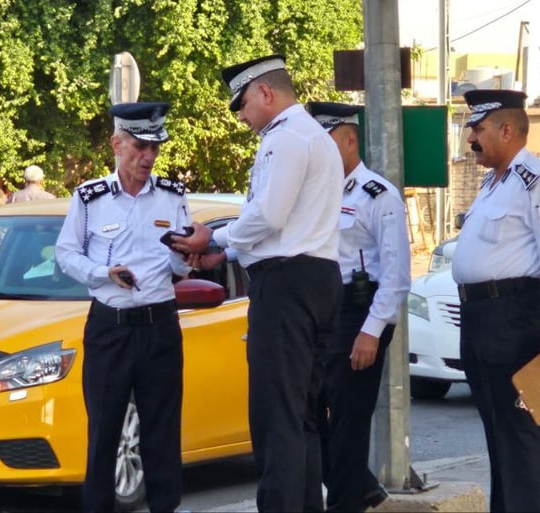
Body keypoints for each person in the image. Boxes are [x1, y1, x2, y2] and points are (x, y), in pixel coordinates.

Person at [171, 55, 343, 512]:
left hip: (286, 286)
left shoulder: (283, 138)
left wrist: (214, 236)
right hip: (315, 279)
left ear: (265, 93)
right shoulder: (313, 135)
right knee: (301, 415)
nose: (243, 117)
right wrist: (224, 252)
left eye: (243, 104)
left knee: (275, 418)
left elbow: (267, 215)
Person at [54, 101, 192, 513]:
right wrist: (102, 272)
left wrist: (186, 259)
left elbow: (180, 263)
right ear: (117, 144)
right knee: (105, 431)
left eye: (154, 149)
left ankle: (166, 507)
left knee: (162, 431)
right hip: (110, 328)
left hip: (159, 325)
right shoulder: (90, 197)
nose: (148, 157)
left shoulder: (172, 196)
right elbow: (65, 254)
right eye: (139, 148)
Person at [452, 89, 540, 512]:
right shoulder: (493, 182)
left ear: (507, 129)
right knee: (497, 433)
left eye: (479, 129)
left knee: (518, 436)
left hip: (514, 318)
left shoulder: (535, 178)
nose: (471, 139)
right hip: (481, 318)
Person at [307, 102, 410, 512]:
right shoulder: (312, 193)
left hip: (359, 313)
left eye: (326, 142)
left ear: (350, 140)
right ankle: (362, 489)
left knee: (349, 424)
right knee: (309, 414)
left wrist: (372, 331)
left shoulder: (377, 195)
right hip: (319, 313)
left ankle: (347, 503)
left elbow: (397, 274)